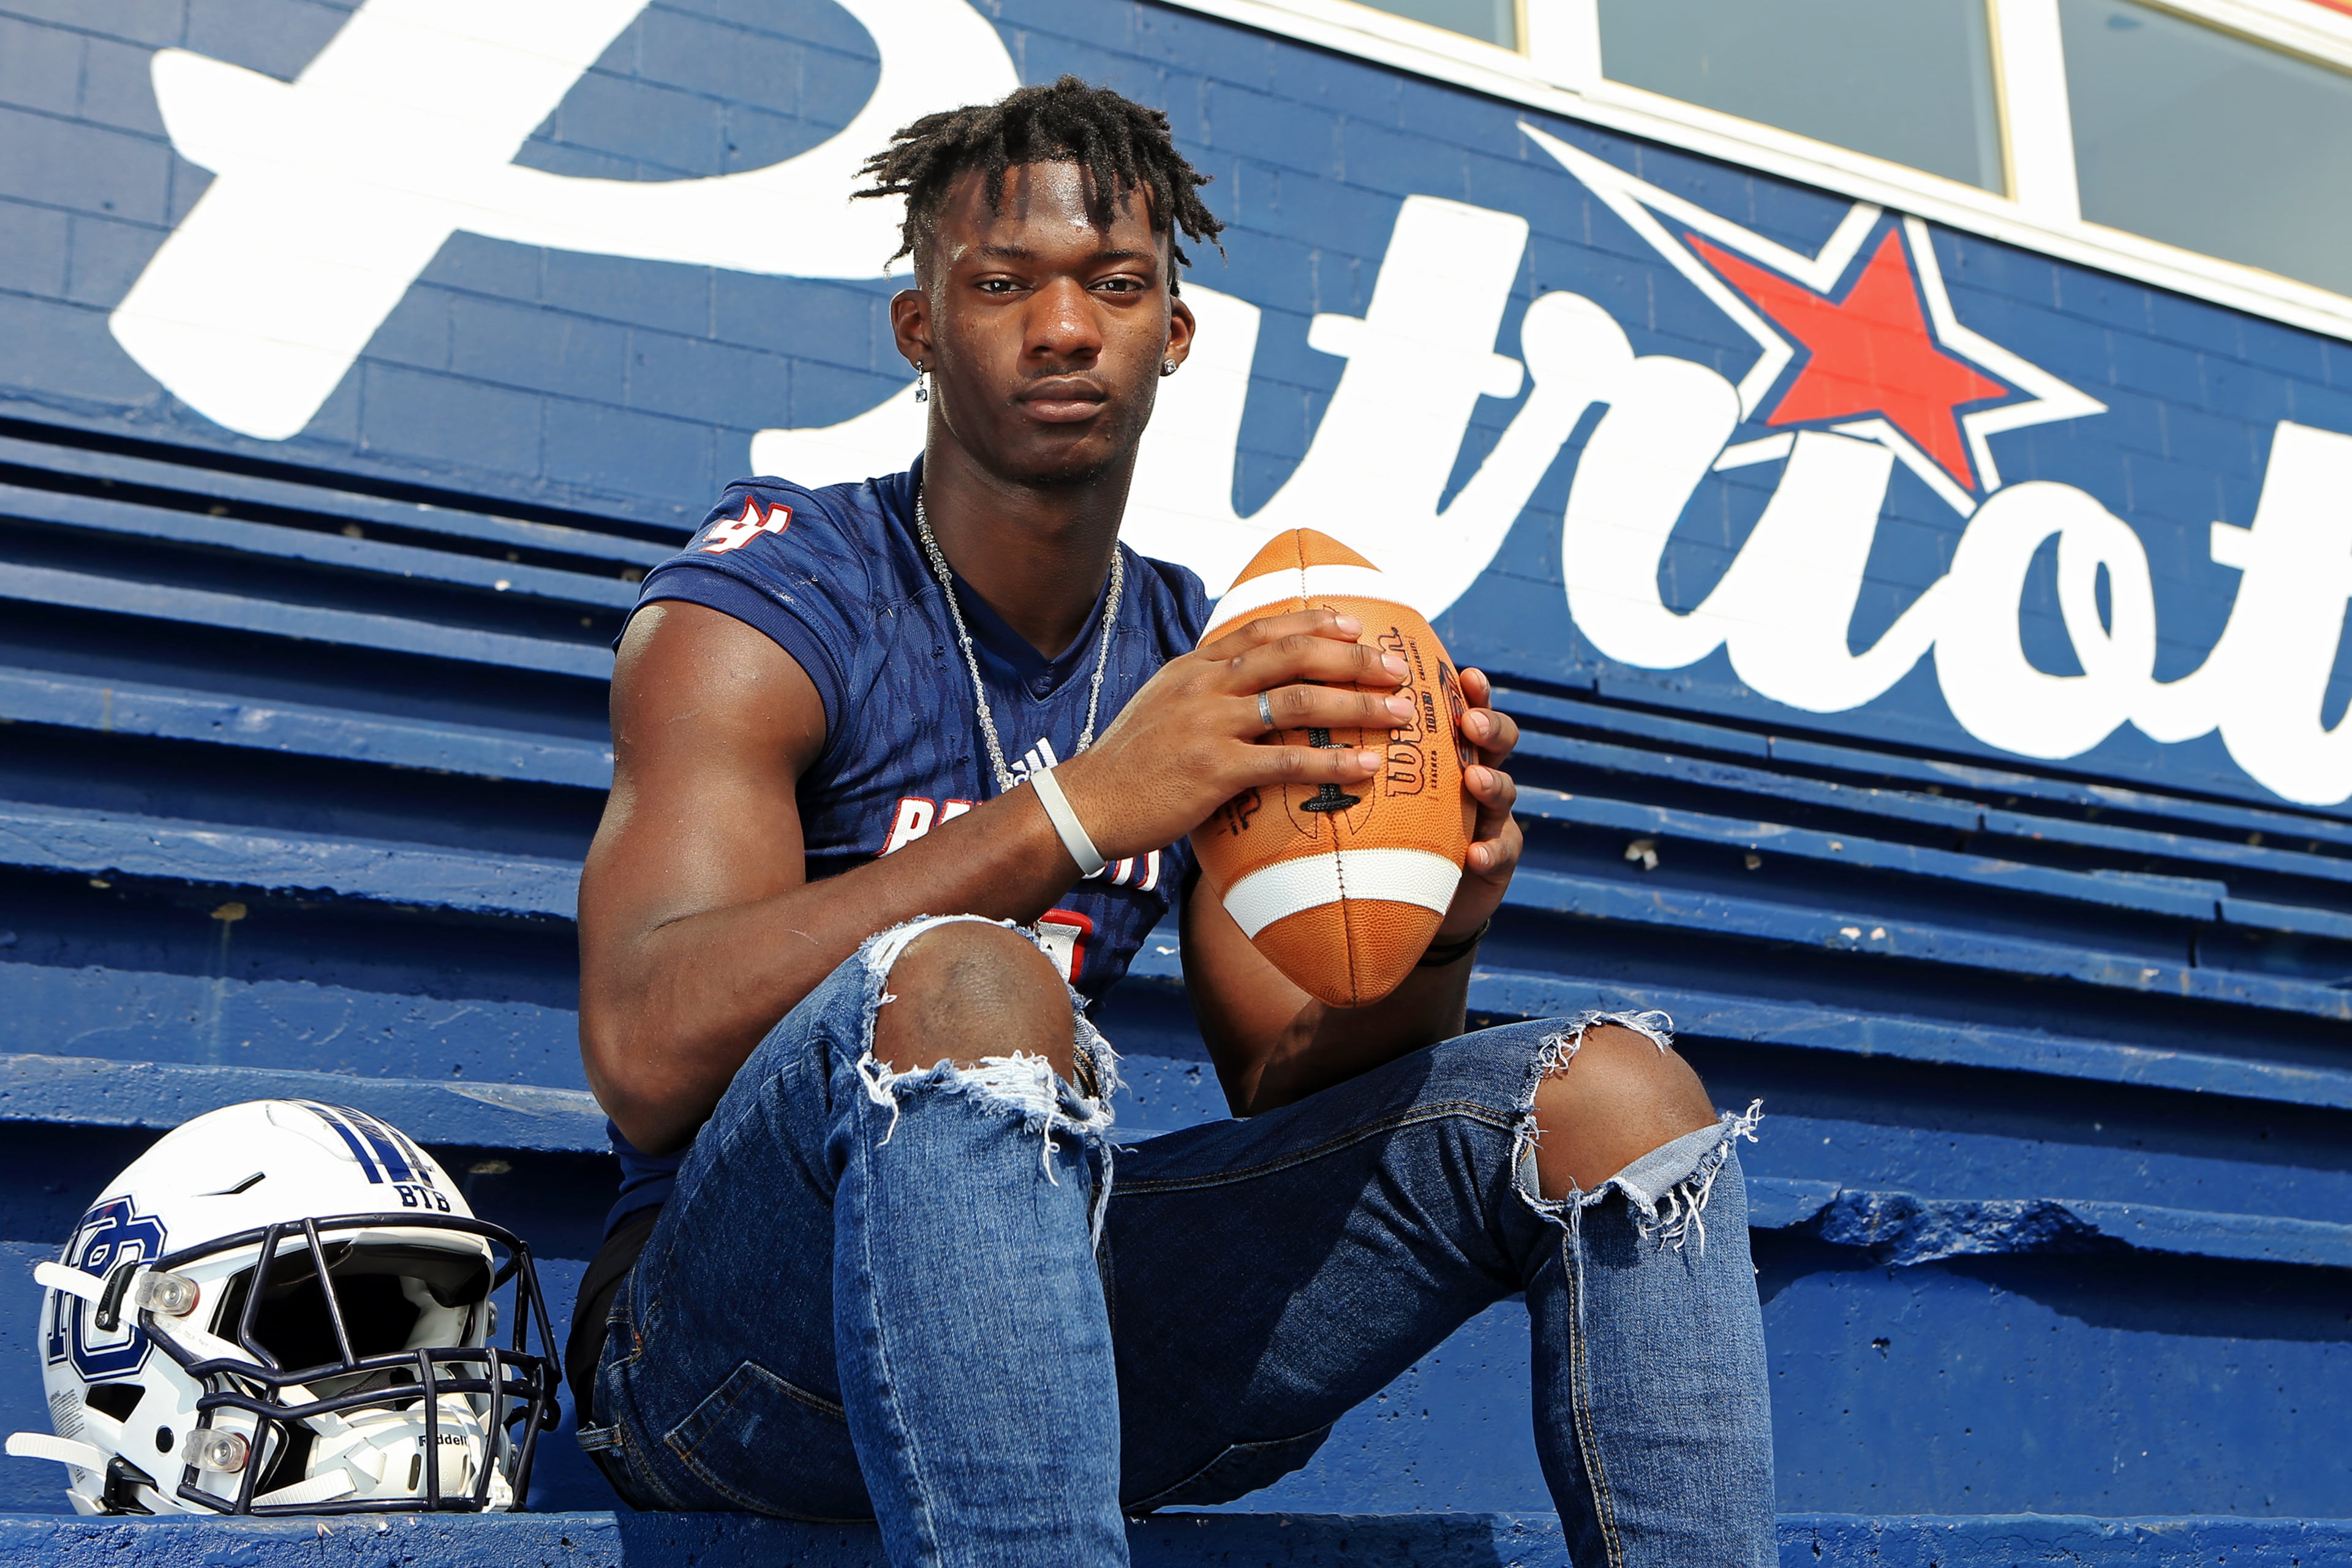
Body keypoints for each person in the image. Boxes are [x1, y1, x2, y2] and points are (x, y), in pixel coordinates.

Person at [569, 75, 1773, 1568]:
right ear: (919, 328)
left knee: (1618, 1094)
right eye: (1001, 283)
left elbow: (1287, 1070)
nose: (1062, 328)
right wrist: (1075, 811)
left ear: (1173, 333)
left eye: (1114, 285)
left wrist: (1440, 923)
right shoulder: (782, 591)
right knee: (970, 981)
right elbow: (642, 1051)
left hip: (1037, 1319)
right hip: (724, 1357)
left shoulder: (1200, 658)